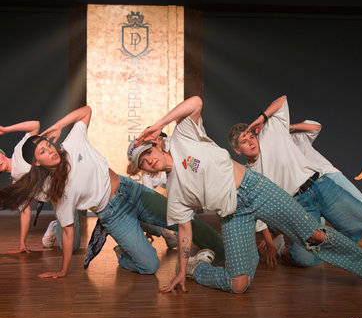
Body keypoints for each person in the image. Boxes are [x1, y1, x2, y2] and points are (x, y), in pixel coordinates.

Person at [133, 96, 362, 294]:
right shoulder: (175, 193)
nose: (149, 161)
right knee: (239, 285)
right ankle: (197, 269)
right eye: (142, 163)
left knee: (315, 236)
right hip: (232, 214)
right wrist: (181, 270)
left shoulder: (183, 137)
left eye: (148, 153)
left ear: (157, 144)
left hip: (256, 189)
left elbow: (196, 102)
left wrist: (159, 123)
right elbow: (184, 231)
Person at [0, 105, 225, 278]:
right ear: (37, 163)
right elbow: (67, 231)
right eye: (42, 152)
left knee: (187, 220)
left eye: (47, 145)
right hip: (113, 215)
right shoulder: (57, 191)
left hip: (132, 191)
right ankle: (124, 252)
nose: (50, 151)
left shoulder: (71, 144)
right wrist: (63, 270)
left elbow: (86, 111)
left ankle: (225, 252)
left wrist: (59, 124)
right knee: (150, 266)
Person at [228, 95, 362, 268]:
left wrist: (262, 117)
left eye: (251, 137)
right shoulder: (250, 174)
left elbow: (282, 100)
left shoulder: (270, 134)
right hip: (299, 205)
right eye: (244, 141)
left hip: (320, 185)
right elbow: (259, 214)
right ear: (237, 150)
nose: (251, 142)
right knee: (304, 259)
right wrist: (271, 245)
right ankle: (284, 249)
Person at [290, 119, 362, 229]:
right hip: (304, 188)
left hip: (328, 175)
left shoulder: (295, 135)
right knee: (316, 225)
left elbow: (315, 127)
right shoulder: (279, 148)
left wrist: (287, 127)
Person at [0, 120, 80, 253]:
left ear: (2, 154)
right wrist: (22, 244)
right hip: (60, 201)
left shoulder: (19, 151)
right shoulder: (17, 185)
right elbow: (25, 212)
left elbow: (35, 125)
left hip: (71, 182)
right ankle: (55, 227)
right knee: (72, 247)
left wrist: (6, 129)